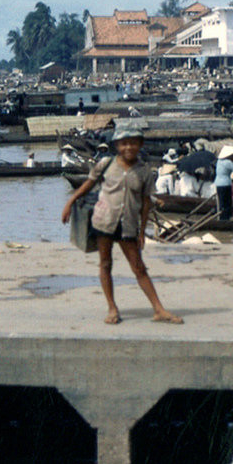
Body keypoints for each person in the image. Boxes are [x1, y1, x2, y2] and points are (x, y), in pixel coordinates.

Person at [60, 126, 182, 325]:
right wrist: (70, 202)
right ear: (117, 146)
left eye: (133, 143)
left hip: (128, 225)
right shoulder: (106, 164)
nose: (129, 147)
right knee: (105, 264)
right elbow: (88, 184)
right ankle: (112, 307)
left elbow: (145, 204)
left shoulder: (144, 172)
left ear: (140, 145)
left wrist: (142, 231)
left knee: (139, 268)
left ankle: (159, 309)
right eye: (124, 143)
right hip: (104, 221)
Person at [214, 145, 233, 220]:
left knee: (221, 202)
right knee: (227, 203)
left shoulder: (219, 161)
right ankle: (226, 218)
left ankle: (221, 217)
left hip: (218, 184)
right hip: (225, 184)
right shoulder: (228, 162)